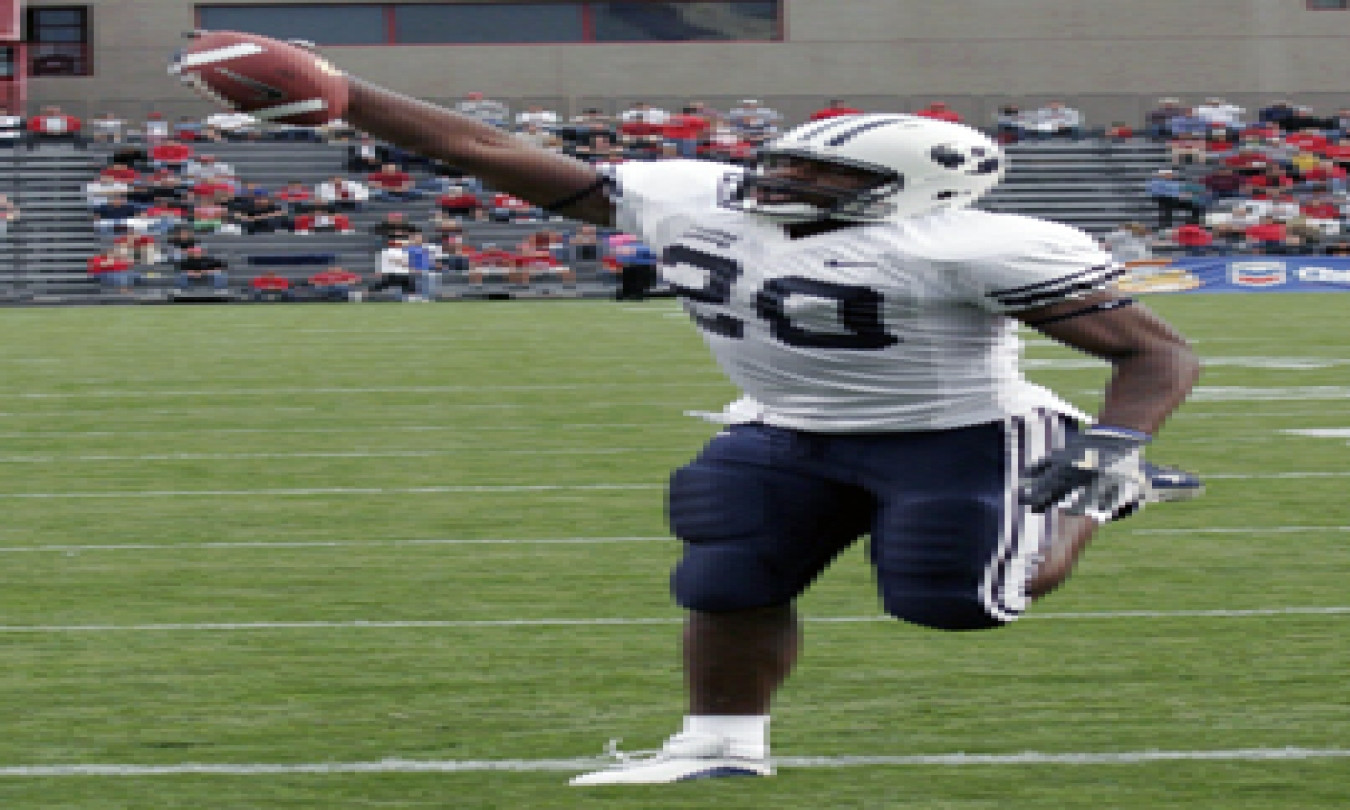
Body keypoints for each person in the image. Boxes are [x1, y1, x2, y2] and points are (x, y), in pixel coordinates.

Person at [183, 61, 1204, 786]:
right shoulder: (694, 195)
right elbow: (481, 146)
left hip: (954, 429)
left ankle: (1095, 504)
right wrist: (346, 95)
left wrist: (1114, 450)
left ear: (924, 195)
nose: (785, 180)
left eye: (831, 179)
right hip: (785, 420)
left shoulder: (977, 249)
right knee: (726, 574)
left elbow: (1154, 353)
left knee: (966, 603)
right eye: (793, 162)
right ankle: (722, 744)